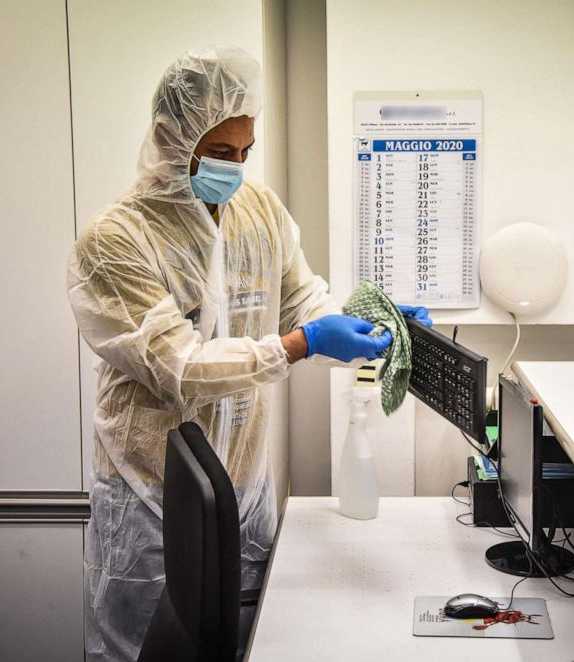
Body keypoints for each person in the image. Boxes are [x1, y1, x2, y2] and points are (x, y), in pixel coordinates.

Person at [67, 47, 431, 662]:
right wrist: (300, 346)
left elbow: (303, 302)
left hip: (242, 485)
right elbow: (177, 366)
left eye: (244, 152)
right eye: (220, 153)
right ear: (168, 135)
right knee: (143, 655)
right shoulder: (114, 240)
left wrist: (375, 320)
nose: (235, 168)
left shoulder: (257, 211)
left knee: (244, 644)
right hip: (148, 497)